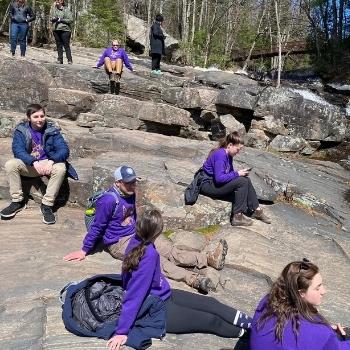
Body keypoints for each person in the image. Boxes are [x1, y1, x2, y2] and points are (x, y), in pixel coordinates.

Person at [64, 165, 228, 293]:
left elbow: (133, 216)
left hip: (137, 232)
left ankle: (207, 259)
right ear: (117, 182)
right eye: (128, 182)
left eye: (134, 181)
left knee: (169, 249)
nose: (132, 185)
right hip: (119, 242)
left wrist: (145, 231)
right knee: (155, 258)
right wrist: (84, 250)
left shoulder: (131, 192)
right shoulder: (108, 200)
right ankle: (193, 279)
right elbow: (97, 227)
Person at [107, 209, 252, 350]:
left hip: (164, 295)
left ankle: (254, 324)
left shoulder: (137, 241)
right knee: (211, 320)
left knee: (211, 303)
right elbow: (135, 294)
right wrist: (122, 331)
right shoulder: (147, 255)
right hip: (156, 310)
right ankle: (251, 334)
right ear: (157, 233)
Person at [0, 103, 78, 224]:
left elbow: (64, 150)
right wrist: (34, 161)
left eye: (42, 116)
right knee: (11, 164)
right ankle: (17, 201)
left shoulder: (52, 130)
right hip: (31, 165)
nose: (40, 119)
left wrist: (51, 161)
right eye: (36, 116)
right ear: (28, 118)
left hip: (48, 164)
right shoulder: (21, 130)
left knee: (61, 167)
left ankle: (47, 205)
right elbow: (18, 151)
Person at [251, 259, 350, 350]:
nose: (324, 291)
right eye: (318, 288)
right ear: (301, 293)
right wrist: (341, 337)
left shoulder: (268, 301)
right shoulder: (320, 332)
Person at [200, 131, 271, 226]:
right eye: (238, 149)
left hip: (214, 184)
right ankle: (237, 217)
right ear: (230, 145)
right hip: (207, 185)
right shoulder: (220, 155)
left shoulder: (229, 155)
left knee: (245, 180)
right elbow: (219, 178)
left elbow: (229, 174)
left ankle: (257, 211)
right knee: (242, 181)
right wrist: (237, 174)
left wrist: (239, 174)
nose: (238, 152)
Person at [50, 0, 73, 64]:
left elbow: (70, 20)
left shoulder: (66, 10)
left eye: (59, 0)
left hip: (65, 30)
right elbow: (51, 18)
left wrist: (61, 20)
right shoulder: (54, 9)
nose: (57, 1)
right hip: (56, 29)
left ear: (62, 1)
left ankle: (69, 60)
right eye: (56, 0)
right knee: (58, 45)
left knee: (66, 45)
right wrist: (53, 19)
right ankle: (60, 60)